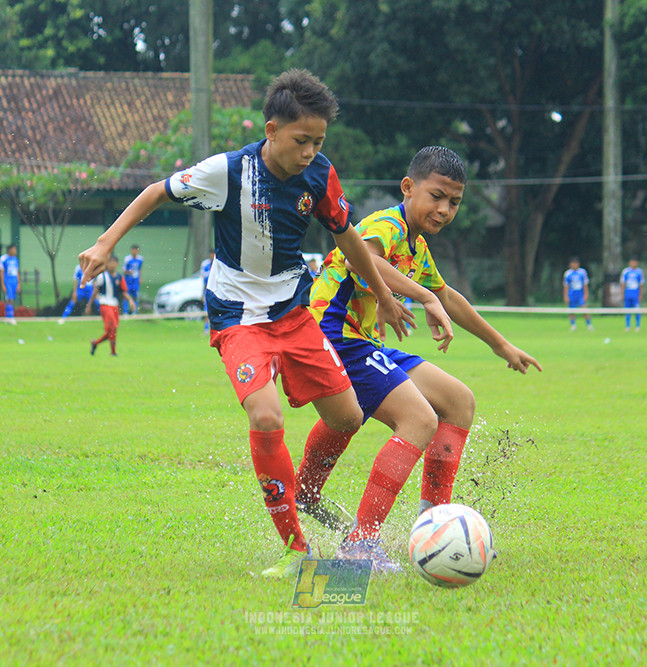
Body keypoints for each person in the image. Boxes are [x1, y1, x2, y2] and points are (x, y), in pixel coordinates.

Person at [76, 69, 412, 578]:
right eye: (301, 140)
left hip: (294, 315)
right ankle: (297, 549)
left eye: (318, 141)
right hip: (237, 317)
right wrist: (105, 243)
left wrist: (384, 297)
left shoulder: (320, 174)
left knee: (347, 417)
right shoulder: (227, 171)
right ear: (271, 129)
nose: (309, 151)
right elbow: (155, 191)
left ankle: (306, 492)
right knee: (266, 416)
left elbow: (347, 238)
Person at [302, 146, 542, 571]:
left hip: (359, 340)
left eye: (455, 202)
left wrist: (500, 345)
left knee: (458, 400)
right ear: (408, 188)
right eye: (437, 196)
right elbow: (366, 261)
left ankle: (434, 527)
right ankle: (359, 545)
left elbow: (449, 296)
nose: (445, 208)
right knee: (419, 419)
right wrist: (420, 296)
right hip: (331, 335)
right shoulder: (385, 224)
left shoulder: (416, 247)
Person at [87, 255, 135, 356]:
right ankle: (113, 352)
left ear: (117, 264)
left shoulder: (119, 277)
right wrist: (89, 305)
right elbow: (95, 291)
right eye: (110, 262)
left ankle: (95, 343)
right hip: (105, 304)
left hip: (114, 305)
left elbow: (124, 292)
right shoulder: (102, 276)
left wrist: (130, 300)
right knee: (112, 327)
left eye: (113, 262)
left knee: (113, 330)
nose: (111, 264)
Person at [563, 257, 592, 331]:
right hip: (572, 293)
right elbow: (566, 286)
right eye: (573, 263)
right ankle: (573, 325)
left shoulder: (582, 272)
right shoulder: (568, 273)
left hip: (580, 293)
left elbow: (585, 284)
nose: (574, 265)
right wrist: (566, 296)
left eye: (576, 263)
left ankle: (589, 324)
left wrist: (586, 294)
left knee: (584, 309)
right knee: (571, 310)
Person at [620, 257, 644, 331]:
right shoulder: (626, 271)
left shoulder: (639, 272)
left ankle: (637, 326)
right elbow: (623, 284)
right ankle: (628, 326)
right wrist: (622, 294)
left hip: (635, 293)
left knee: (637, 310)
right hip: (628, 293)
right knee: (627, 310)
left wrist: (640, 294)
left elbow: (641, 284)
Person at [0, 244, 19, 324]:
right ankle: (11, 317)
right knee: (9, 299)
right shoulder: (3, 259)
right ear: (9, 250)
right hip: (8, 281)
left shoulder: (15, 259)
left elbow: (17, 272)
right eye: (14, 249)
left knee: (11, 299)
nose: (15, 251)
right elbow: (2, 272)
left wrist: (18, 283)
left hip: (14, 281)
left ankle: (7, 317)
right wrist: (3, 284)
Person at [122, 244, 143, 314]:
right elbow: (124, 270)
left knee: (135, 295)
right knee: (126, 295)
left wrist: (140, 278)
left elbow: (140, 269)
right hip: (128, 280)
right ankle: (126, 311)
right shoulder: (127, 259)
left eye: (136, 250)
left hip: (135, 280)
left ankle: (135, 311)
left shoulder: (140, 259)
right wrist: (129, 272)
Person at [200, 251, 214, 335]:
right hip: (208, 289)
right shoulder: (205, 264)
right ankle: (206, 329)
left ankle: (215, 328)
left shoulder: (219, 263)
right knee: (206, 310)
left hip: (217, 290)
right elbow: (204, 277)